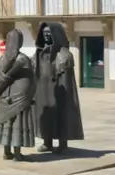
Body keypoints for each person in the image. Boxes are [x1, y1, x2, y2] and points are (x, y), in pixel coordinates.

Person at [31, 22, 84, 154]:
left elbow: (66, 80)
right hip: (42, 90)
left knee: (61, 115)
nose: (46, 36)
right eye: (44, 34)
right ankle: (47, 142)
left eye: (49, 33)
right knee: (46, 115)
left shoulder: (64, 55)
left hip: (59, 91)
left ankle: (62, 143)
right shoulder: (38, 54)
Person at [0, 29, 37, 161]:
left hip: (4, 97)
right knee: (17, 124)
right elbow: (30, 79)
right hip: (18, 97)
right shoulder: (23, 58)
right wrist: (29, 95)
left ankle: (6, 152)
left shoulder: (3, 58)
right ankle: (17, 154)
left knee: (6, 123)